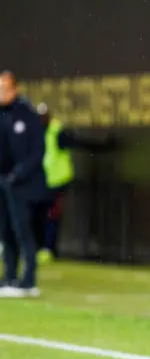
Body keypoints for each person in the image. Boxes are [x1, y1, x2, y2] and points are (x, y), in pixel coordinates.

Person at [35, 102, 116, 261]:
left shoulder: (57, 132)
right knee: (36, 216)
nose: (41, 119)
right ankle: (37, 247)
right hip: (38, 183)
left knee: (52, 216)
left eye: (44, 116)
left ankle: (48, 249)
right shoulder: (33, 132)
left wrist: (103, 146)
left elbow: (79, 143)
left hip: (56, 182)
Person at [0, 71, 49, 297]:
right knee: (6, 232)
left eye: (5, 88)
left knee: (23, 232)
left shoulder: (27, 114)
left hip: (23, 185)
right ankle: (9, 276)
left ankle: (28, 280)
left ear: (15, 89)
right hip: (3, 183)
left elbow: (37, 151)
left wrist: (18, 174)